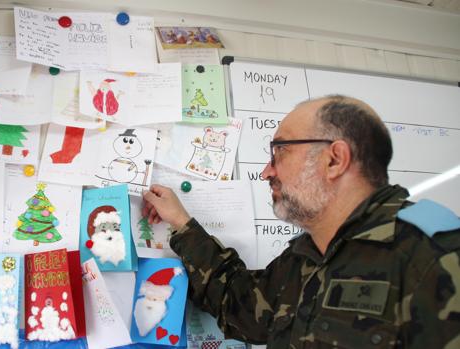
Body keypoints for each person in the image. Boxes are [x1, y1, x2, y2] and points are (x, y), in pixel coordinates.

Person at [142, 95, 460, 348]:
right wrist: (182, 224)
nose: (266, 172)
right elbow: (240, 306)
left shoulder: (437, 258)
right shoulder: (306, 257)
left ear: (334, 160)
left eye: (279, 152)